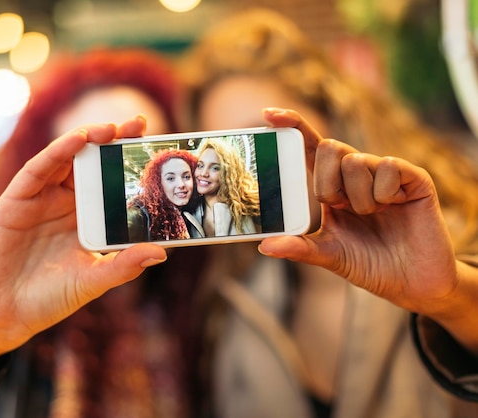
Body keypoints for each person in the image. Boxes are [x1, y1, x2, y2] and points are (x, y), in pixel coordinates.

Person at [0, 10, 478, 418]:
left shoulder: (206, 294)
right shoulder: (221, 293)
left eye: (257, 142)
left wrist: (453, 297)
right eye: (84, 164)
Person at [178, 7, 478, 417]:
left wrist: (451, 298)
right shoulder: (232, 297)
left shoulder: (453, 240)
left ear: (331, 119)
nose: (241, 173)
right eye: (221, 155)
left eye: (261, 143)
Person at [126, 148, 202, 242]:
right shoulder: (137, 217)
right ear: (158, 183)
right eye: (170, 178)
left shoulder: (189, 213)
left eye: (186, 177)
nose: (181, 184)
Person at [193, 137, 261, 237]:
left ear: (227, 173)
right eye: (200, 165)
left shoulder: (248, 209)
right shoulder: (188, 212)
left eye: (215, 168)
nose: (203, 173)